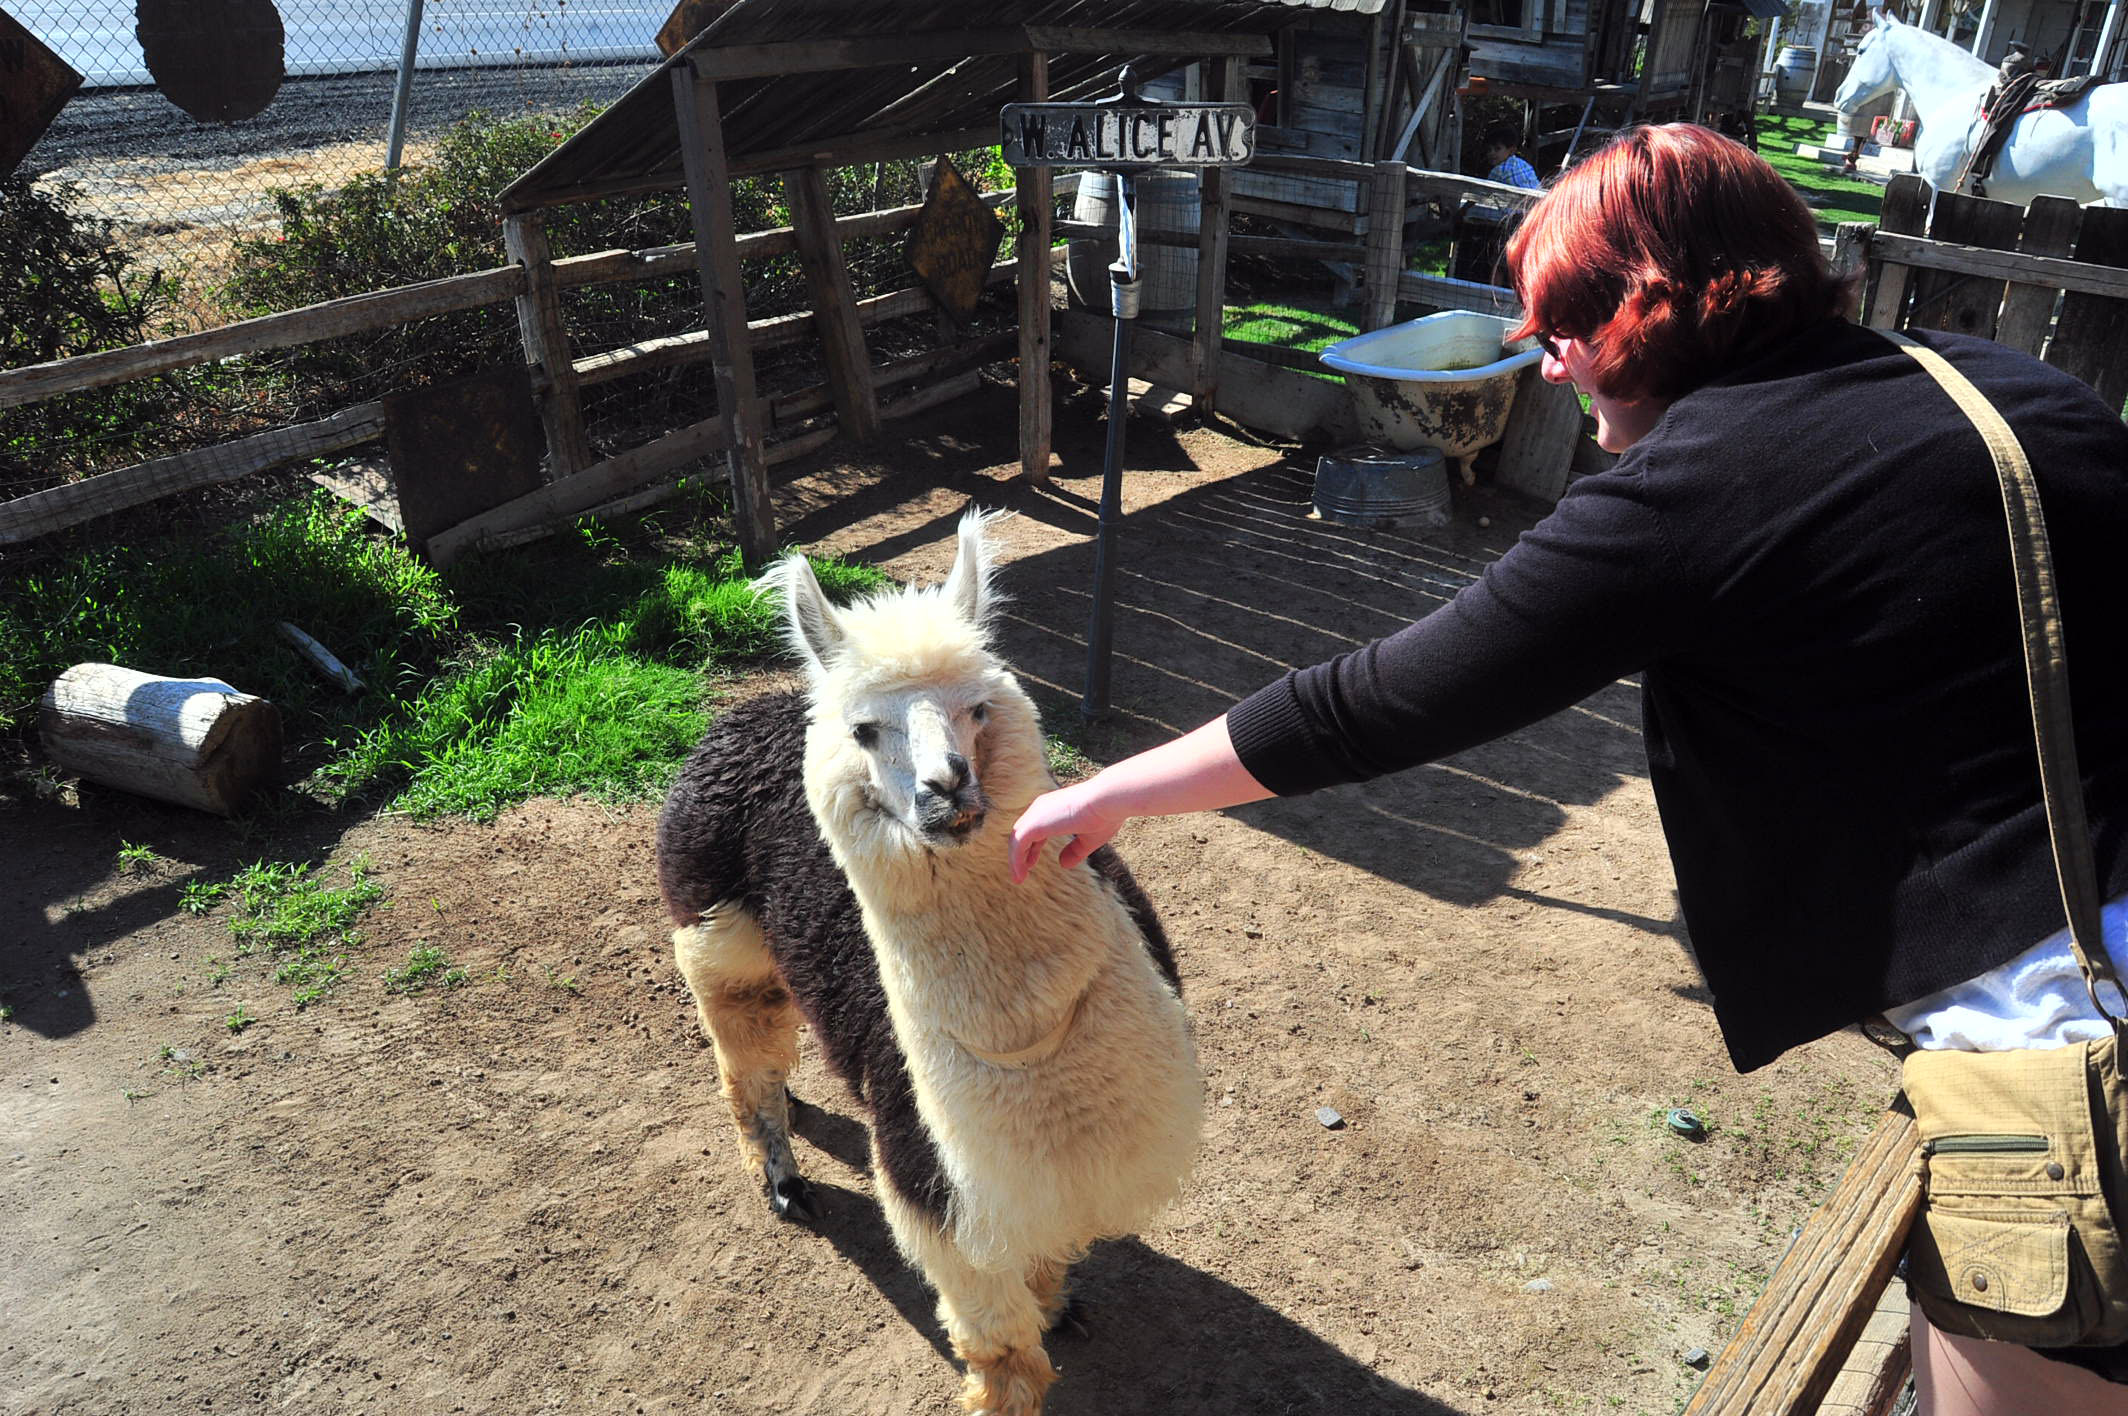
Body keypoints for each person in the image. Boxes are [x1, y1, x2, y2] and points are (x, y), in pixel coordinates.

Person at [1008, 123, 2128, 1415]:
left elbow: (1377, 703)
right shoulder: (2006, 387)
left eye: (1564, 329)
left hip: (2059, 1052)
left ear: (1647, 313)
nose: (1546, 363)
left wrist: (1109, 790)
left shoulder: (1700, 486)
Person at [1482, 120, 1542, 189]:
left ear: (1511, 151)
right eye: (1489, 150)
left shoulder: (1498, 171)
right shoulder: (1523, 164)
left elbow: (1487, 191)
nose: (1491, 153)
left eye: (1497, 149)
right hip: (1536, 195)